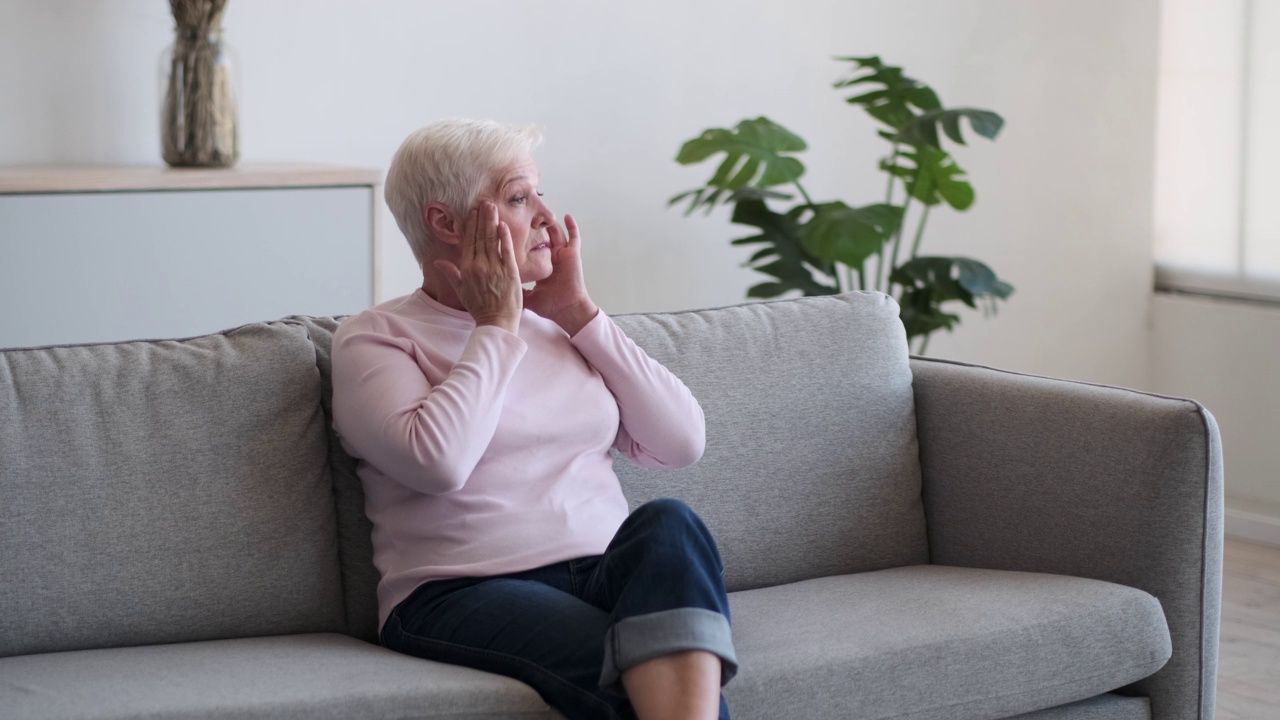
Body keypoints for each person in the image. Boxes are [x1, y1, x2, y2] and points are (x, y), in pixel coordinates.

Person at [330, 118, 737, 720]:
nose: (548, 217)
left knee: (670, 525)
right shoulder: (376, 337)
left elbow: (681, 443)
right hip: (457, 591)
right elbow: (438, 463)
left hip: (603, 571)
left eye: (541, 194)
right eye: (520, 197)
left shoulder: (562, 327)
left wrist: (579, 313)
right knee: (647, 673)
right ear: (446, 222)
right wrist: (494, 325)